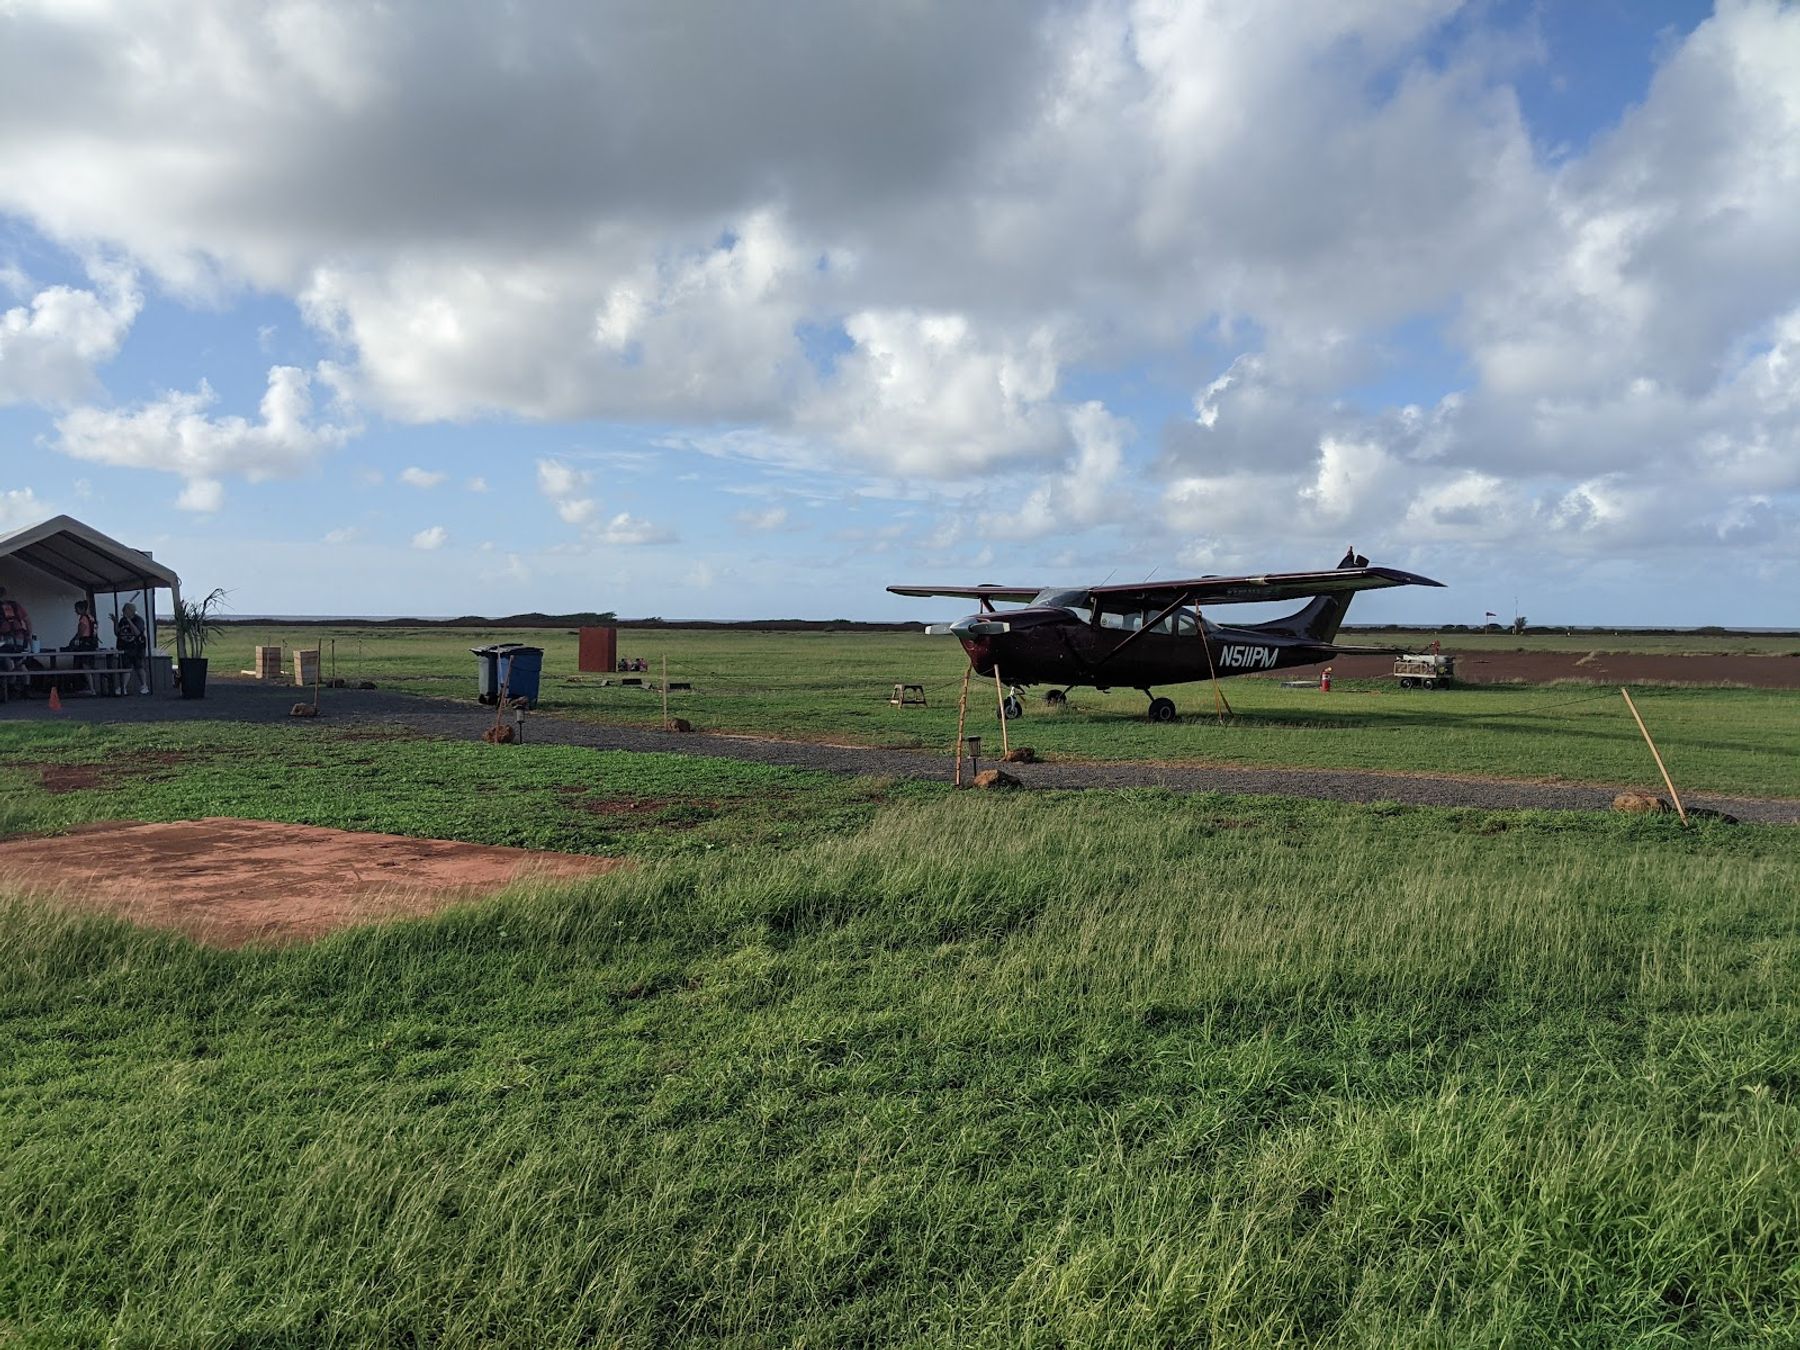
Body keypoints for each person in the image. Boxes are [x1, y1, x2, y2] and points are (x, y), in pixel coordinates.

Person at [114, 602, 149, 694]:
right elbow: (118, 633)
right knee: (126, 667)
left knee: (139, 667)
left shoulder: (139, 620)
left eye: (125, 610)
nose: (123, 612)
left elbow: (137, 633)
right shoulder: (122, 620)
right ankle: (123, 687)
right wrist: (115, 623)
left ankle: (144, 685)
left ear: (130, 611)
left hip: (137, 647)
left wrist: (129, 621)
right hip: (126, 647)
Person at [0, 585, 30, 651]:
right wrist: (28, 635)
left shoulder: (14, 605)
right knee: (17, 656)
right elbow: (27, 620)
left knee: (5, 657)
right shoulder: (14, 605)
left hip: (4, 639)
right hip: (19, 638)